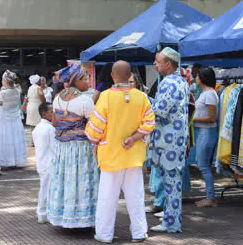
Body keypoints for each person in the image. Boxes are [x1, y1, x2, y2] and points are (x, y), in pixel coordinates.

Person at [86, 61, 155, 243]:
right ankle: (139, 233)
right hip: (134, 155)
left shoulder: (106, 97)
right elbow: (149, 124)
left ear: (113, 76)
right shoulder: (142, 97)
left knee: (107, 199)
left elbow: (94, 129)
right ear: (130, 74)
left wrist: (94, 141)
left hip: (110, 156)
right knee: (136, 197)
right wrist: (133, 138)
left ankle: (105, 235)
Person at [47, 63, 98, 229]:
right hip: (81, 148)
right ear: (76, 81)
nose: (88, 80)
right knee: (81, 181)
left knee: (65, 180)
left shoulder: (57, 99)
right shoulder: (85, 101)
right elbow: (94, 127)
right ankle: (83, 218)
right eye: (85, 78)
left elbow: (55, 122)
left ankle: (64, 215)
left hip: (63, 148)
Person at [148, 47, 189, 233]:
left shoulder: (168, 84)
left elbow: (159, 112)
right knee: (173, 184)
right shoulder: (181, 81)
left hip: (168, 142)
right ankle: (171, 219)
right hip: (176, 141)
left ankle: (171, 224)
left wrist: (144, 102)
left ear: (168, 64)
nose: (155, 65)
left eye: (158, 62)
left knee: (171, 185)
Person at [192, 67, 219, 208]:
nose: (195, 78)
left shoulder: (209, 94)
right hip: (202, 132)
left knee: (203, 165)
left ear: (202, 78)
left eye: (197, 76)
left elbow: (212, 118)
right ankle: (209, 197)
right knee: (202, 164)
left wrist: (193, 119)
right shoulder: (205, 93)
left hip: (207, 132)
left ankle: (210, 198)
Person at [0, 70, 28, 169]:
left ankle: (5, 161)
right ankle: (15, 161)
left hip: (5, 119)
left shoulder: (3, 92)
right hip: (15, 118)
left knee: (5, 139)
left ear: (5, 80)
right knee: (15, 139)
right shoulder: (17, 91)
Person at [32, 102, 56, 224]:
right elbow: (54, 148)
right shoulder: (50, 129)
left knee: (44, 188)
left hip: (41, 162)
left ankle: (43, 213)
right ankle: (42, 213)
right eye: (51, 112)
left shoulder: (37, 128)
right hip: (49, 163)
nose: (54, 114)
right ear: (44, 114)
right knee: (46, 189)